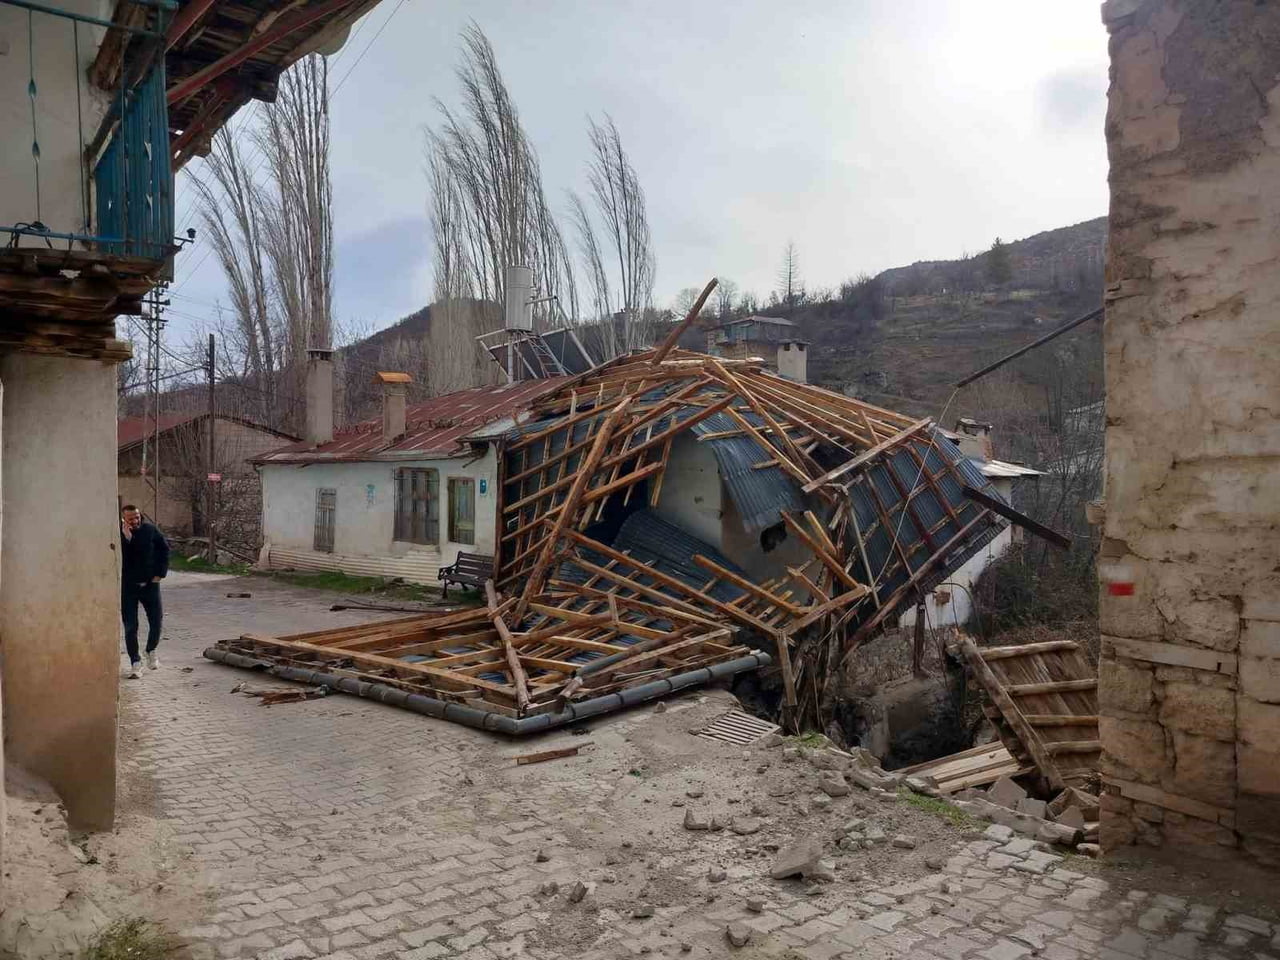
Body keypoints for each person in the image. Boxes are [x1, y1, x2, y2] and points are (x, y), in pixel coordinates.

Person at [120, 504, 170, 679]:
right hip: (128, 587)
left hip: (150, 585)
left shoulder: (150, 530)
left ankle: (150, 650)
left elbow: (164, 550)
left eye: (137, 516)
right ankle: (135, 662)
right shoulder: (120, 536)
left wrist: (160, 574)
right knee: (131, 626)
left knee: (156, 621)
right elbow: (125, 558)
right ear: (123, 519)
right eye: (130, 518)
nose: (135, 520)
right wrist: (127, 540)